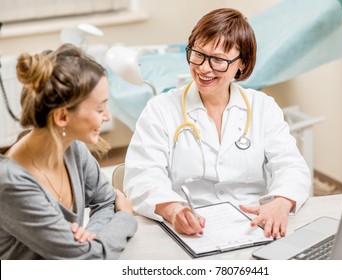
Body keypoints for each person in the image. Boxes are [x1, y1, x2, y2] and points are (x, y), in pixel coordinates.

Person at [124, 8, 311, 239]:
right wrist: (174, 210)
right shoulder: (160, 109)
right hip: (190, 228)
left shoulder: (263, 107)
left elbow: (292, 166)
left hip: (254, 224)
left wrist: (280, 203)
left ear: (241, 64)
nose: (204, 68)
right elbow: (141, 176)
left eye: (218, 60)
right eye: (198, 54)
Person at [0, 44, 137, 259]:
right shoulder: (11, 185)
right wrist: (126, 217)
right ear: (62, 117)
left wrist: (90, 237)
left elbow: (106, 201)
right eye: (100, 109)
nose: (108, 116)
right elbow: (89, 261)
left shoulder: (72, 147)